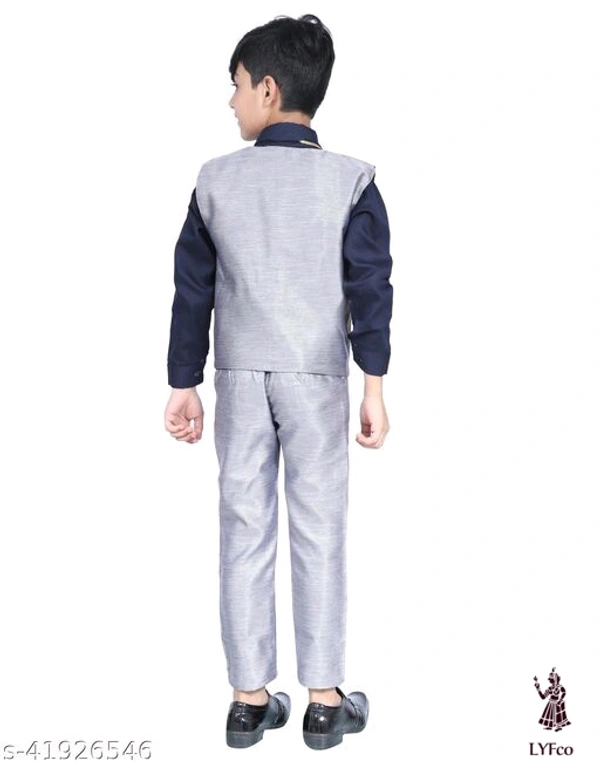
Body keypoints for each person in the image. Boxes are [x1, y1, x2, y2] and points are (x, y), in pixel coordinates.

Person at [164, 14, 393, 750]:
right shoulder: (351, 179)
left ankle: (248, 699)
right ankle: (324, 701)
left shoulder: (214, 180)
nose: (230, 101)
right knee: (319, 528)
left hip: (237, 375)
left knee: (243, 525)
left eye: (235, 86)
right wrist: (374, 385)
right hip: (317, 376)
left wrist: (183, 381)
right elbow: (370, 287)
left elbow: (193, 289)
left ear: (267, 89)